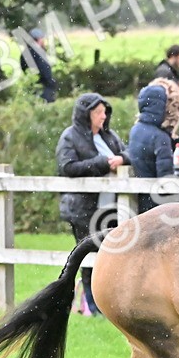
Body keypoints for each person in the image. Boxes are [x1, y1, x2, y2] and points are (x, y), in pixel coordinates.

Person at [56, 93, 128, 316]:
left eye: (104, 112)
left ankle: (111, 302)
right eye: (98, 112)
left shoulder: (109, 136)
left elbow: (127, 151)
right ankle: (92, 305)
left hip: (110, 206)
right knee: (88, 254)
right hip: (83, 208)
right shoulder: (70, 137)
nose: (103, 116)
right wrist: (101, 164)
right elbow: (67, 167)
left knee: (112, 253)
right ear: (86, 115)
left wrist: (122, 159)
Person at [128, 76, 179, 213]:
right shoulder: (160, 137)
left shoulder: (135, 129)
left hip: (143, 199)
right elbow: (166, 179)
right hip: (159, 205)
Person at [21, 28, 58, 103]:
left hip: (32, 87)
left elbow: (24, 68)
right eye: (42, 38)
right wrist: (51, 82)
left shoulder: (25, 53)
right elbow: (45, 72)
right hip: (44, 88)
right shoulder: (38, 53)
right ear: (39, 39)